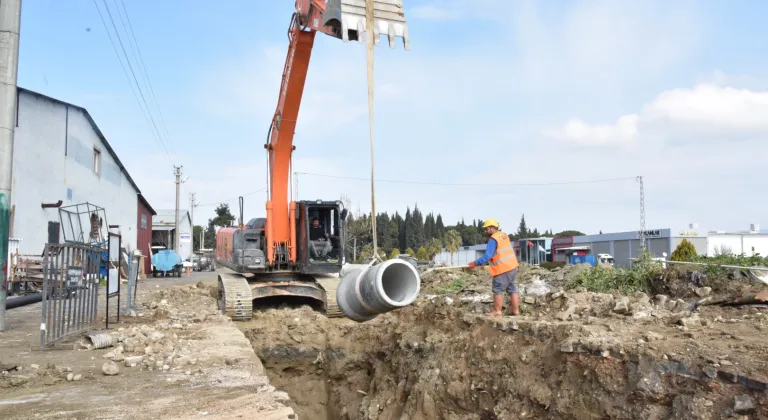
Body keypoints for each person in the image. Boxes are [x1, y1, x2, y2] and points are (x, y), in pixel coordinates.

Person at [468, 218, 520, 316]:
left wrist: (475, 263)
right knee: (513, 289)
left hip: (502, 269)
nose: (485, 231)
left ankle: (497, 311)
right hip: (513, 267)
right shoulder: (504, 236)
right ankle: (516, 311)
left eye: (486, 229)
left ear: (492, 227)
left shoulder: (493, 239)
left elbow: (488, 256)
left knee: (498, 289)